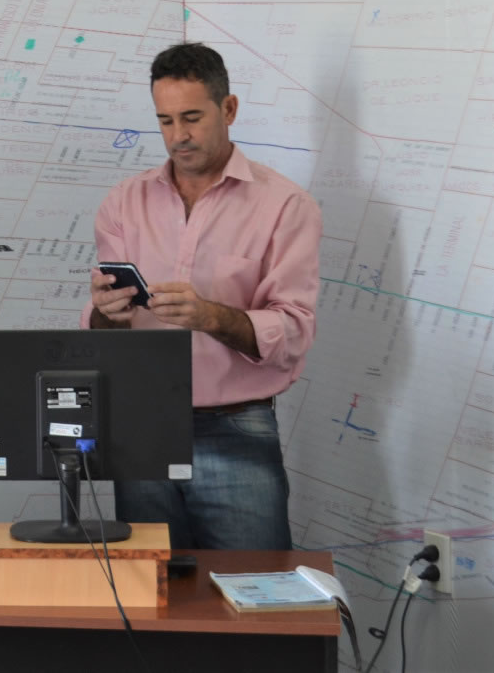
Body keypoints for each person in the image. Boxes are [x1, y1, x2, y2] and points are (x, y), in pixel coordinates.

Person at [81, 42, 321, 550]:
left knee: (253, 588)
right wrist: (106, 313)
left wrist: (210, 316)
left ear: (228, 109)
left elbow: (294, 331)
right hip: (143, 423)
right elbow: (106, 335)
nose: (178, 136)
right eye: (165, 121)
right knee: (150, 587)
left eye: (191, 118)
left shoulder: (285, 206)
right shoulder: (123, 202)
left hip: (236, 427)